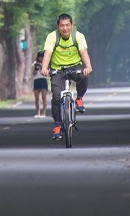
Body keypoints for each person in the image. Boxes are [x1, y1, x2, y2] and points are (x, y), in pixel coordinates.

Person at [40, 13, 92, 141]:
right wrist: (44, 68)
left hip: (74, 66)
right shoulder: (52, 37)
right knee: (57, 96)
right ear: (58, 26)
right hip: (57, 69)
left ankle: (79, 98)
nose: (65, 28)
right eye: (62, 26)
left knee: (84, 76)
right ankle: (58, 125)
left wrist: (88, 66)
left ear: (72, 25)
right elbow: (48, 53)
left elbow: (83, 51)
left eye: (67, 25)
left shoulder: (78, 36)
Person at [32, 50, 49, 117]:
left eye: (42, 57)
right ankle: (38, 113)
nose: (40, 58)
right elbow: (33, 73)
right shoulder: (35, 63)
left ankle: (43, 113)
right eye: (39, 57)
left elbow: (47, 73)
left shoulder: (46, 63)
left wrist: (43, 67)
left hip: (43, 80)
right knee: (37, 98)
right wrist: (36, 68)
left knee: (44, 97)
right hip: (36, 80)